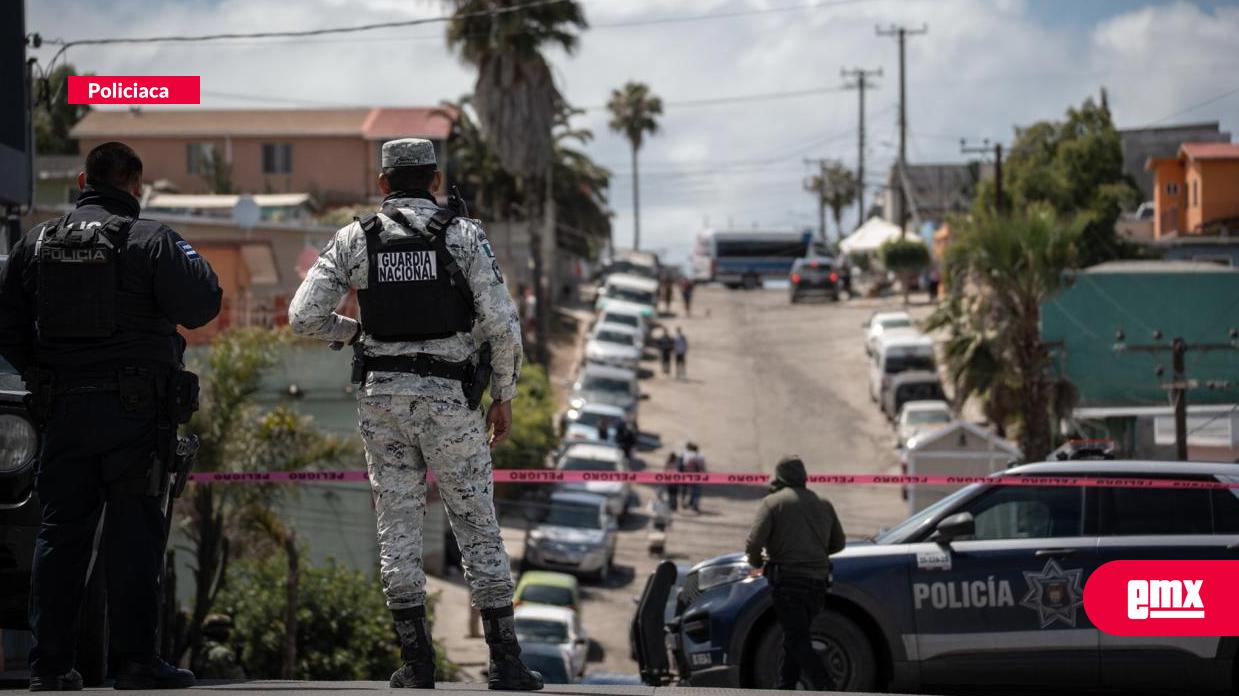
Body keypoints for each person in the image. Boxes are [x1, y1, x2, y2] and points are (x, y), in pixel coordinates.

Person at [288, 138, 542, 691]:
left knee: (397, 527)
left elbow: (303, 315)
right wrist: (504, 395)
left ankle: (416, 662)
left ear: (383, 184)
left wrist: (355, 332)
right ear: (435, 180)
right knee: (476, 524)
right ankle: (505, 662)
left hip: (382, 401)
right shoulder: (463, 235)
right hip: (450, 400)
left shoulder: (356, 238)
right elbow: (502, 324)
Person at [0, 141, 221, 691]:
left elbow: (6, 327)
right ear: (136, 185)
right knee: (135, 537)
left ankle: (50, 667)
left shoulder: (36, 243)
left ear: (83, 181)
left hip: (64, 413)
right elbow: (203, 303)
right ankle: (136, 662)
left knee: (61, 536)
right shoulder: (150, 240)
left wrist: (42, 376)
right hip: (135, 415)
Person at [744, 456, 846, 691]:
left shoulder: (773, 503)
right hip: (818, 583)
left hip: (788, 582)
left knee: (797, 639)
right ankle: (785, 686)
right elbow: (839, 543)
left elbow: (754, 543)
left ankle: (825, 685)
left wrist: (758, 563)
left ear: (779, 477)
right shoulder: (824, 503)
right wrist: (815, 554)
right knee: (795, 637)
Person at [191, 615, 245, 680]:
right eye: (226, 629)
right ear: (221, 631)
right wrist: (238, 663)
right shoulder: (223, 653)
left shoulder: (199, 650)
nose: (228, 632)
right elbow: (237, 679)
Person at [679, 443, 706, 512]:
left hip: (685, 474)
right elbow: (702, 467)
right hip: (696, 476)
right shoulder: (700, 456)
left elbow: (681, 465)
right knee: (696, 491)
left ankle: (683, 502)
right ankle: (693, 505)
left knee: (684, 489)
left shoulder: (685, 454)